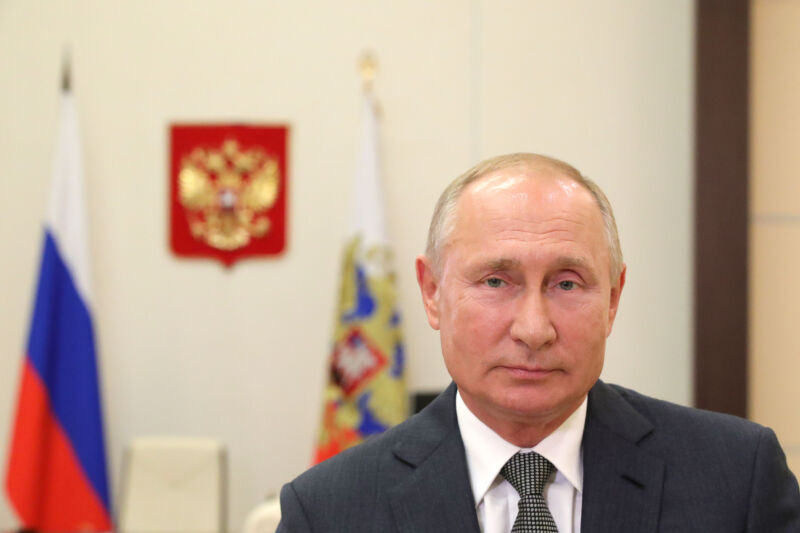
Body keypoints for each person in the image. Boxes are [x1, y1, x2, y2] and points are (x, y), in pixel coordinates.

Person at [277, 153, 800, 532]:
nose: (533, 328)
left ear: (613, 299)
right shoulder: (327, 511)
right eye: (496, 282)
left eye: (567, 283)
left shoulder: (737, 480)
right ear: (432, 293)